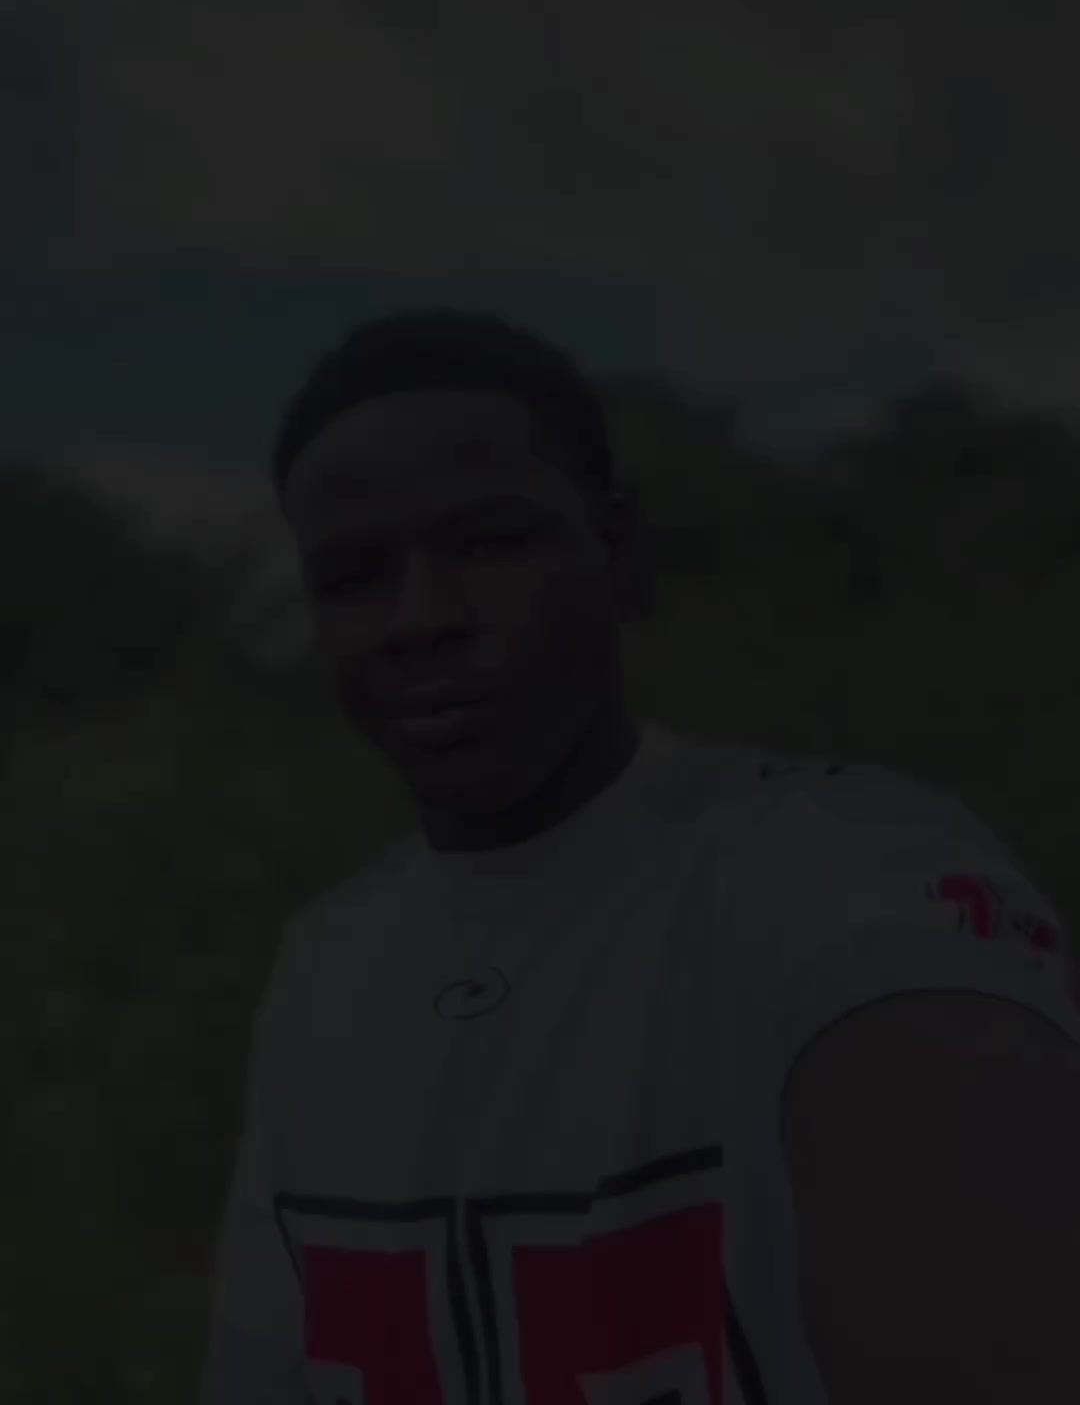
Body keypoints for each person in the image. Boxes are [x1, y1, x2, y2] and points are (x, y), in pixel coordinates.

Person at [202, 309, 1080, 1404]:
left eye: (488, 542)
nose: (419, 617)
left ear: (618, 555)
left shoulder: (844, 863)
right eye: (352, 576)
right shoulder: (324, 966)